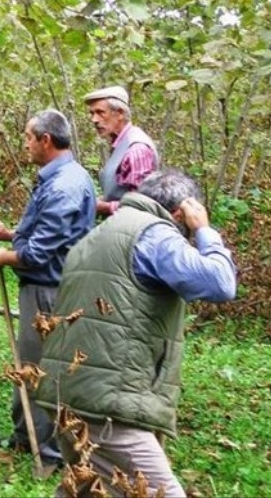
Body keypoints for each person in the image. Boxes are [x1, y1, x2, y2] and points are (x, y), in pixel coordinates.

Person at [34, 168, 237, 497]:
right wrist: (204, 230)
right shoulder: (155, 236)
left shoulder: (100, 234)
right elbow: (220, 283)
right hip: (108, 406)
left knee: (90, 490)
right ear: (179, 212)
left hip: (66, 393)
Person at [0, 109, 96, 467]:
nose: (26, 144)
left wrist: (4, 255)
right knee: (33, 366)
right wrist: (10, 234)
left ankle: (45, 451)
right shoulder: (62, 177)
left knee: (37, 370)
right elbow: (54, 235)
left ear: (46, 140)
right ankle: (25, 436)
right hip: (48, 286)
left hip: (50, 291)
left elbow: (39, 253)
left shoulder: (64, 185)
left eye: (29, 137)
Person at [83, 85, 159, 217]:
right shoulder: (120, 144)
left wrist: (104, 207)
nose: (94, 120)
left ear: (119, 113)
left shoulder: (136, 149)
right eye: (92, 113)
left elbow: (142, 206)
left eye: (100, 112)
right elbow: (119, 193)